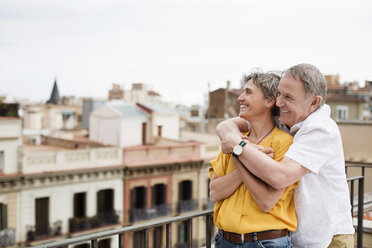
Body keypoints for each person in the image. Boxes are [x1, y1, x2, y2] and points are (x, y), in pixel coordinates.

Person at [216, 64, 354, 247]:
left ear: (314, 102)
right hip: (297, 237)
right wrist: (236, 140)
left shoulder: (320, 129)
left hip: (328, 238)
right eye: (279, 94)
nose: (279, 102)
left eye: (288, 97)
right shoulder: (286, 119)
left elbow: (280, 177)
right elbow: (225, 126)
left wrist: (238, 148)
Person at [209, 72, 298, 248]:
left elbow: (266, 201)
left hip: (266, 243)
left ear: (269, 101)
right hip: (224, 241)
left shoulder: (284, 143)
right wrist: (245, 155)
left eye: (248, 92)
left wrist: (239, 156)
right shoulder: (234, 140)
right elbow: (214, 192)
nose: (240, 98)